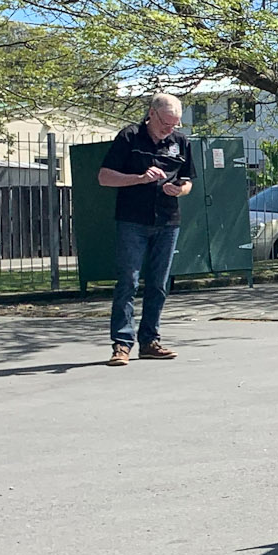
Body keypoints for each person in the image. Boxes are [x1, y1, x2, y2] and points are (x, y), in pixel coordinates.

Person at [97, 93, 195, 365]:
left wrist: (179, 190)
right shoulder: (129, 137)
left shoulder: (180, 142)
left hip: (167, 220)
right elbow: (104, 177)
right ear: (151, 114)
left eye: (175, 124)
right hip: (133, 220)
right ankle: (121, 344)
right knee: (128, 281)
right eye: (165, 123)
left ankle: (150, 341)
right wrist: (139, 178)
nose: (169, 129)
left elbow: (188, 182)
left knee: (159, 284)